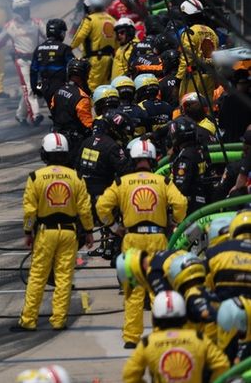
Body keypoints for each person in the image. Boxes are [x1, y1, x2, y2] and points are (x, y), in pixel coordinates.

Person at [96, 138, 188, 347]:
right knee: (159, 288)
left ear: (134, 158)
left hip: (131, 238)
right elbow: (181, 203)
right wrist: (175, 222)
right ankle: (161, 332)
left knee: (133, 290)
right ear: (152, 159)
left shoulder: (122, 182)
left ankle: (131, 337)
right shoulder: (163, 181)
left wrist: (112, 227)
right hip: (158, 237)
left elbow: (102, 206)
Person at [12, 132, 93, 332]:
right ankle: (59, 320)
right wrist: (89, 231)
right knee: (64, 277)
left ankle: (28, 320)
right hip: (69, 233)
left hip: (45, 232)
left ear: (44, 154)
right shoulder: (76, 177)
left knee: (38, 276)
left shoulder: (35, 178)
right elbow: (85, 209)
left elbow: (30, 211)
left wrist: (27, 232)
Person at [122, 291, 230, 383]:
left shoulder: (148, 342)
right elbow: (222, 366)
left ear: (155, 317)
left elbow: (129, 375)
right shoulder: (198, 338)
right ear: (183, 316)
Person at [76, 113, 130, 260]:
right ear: (114, 129)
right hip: (103, 199)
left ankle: (59, 260)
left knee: (79, 234)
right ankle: (116, 254)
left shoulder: (86, 142)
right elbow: (126, 172)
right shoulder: (113, 147)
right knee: (121, 223)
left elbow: (77, 168)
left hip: (83, 198)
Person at [0, 0, 44, 125]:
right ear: (16, 11)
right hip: (21, 61)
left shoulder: (37, 23)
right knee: (28, 89)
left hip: (38, 61)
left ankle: (20, 114)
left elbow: (50, 37)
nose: (26, 12)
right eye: (22, 9)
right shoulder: (10, 26)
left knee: (39, 88)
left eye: (26, 9)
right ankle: (35, 115)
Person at [71, 0, 117, 91]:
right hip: (110, 59)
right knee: (106, 87)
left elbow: (78, 37)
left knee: (91, 87)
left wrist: (68, 48)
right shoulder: (112, 19)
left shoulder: (89, 20)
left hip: (94, 61)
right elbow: (117, 42)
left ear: (88, 6)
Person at [50, 58, 94, 155]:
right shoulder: (82, 97)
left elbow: (53, 109)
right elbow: (88, 125)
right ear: (84, 75)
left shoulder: (58, 91)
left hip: (57, 136)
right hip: (74, 143)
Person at [178, 0, 220, 99]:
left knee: (189, 107)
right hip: (210, 77)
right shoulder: (212, 32)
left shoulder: (189, 32)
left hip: (194, 78)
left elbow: (186, 59)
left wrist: (178, 79)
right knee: (208, 108)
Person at [169, 116, 211, 212]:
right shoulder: (201, 150)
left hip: (190, 206)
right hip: (203, 199)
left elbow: (180, 188)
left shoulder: (185, 157)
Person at [31, 18, 74, 108]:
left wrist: (35, 88)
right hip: (61, 87)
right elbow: (74, 67)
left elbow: (33, 70)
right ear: (60, 33)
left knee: (53, 109)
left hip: (44, 87)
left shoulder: (38, 49)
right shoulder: (64, 48)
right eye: (63, 32)